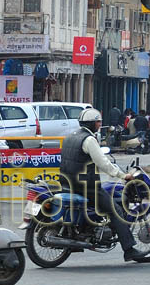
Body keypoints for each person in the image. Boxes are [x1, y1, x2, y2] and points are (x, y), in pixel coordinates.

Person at [59, 108, 143, 261]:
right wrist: (123, 175)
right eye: (98, 122)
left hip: (67, 182)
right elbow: (103, 163)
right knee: (115, 210)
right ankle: (129, 250)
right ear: (92, 123)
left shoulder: (70, 136)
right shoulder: (89, 140)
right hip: (86, 186)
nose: (99, 125)